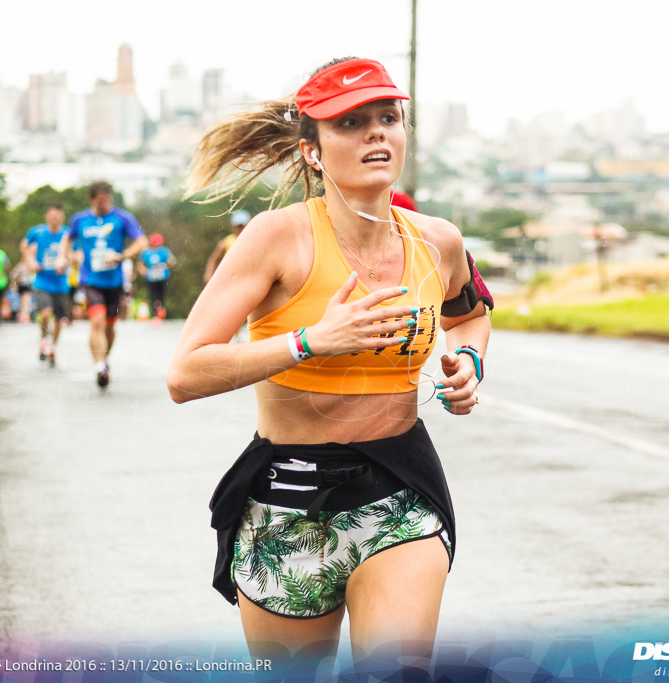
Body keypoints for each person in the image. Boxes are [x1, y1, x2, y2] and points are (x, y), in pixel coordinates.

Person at [167, 57, 493, 671]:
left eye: (388, 118)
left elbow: (470, 314)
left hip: (399, 494)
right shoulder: (275, 238)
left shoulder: (438, 242)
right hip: (286, 501)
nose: (377, 133)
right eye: (350, 122)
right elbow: (185, 374)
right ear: (312, 151)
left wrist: (468, 362)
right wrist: (310, 341)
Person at [56, 180, 148, 388]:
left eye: (107, 201)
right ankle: (99, 366)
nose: (104, 205)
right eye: (100, 202)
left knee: (110, 326)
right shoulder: (80, 219)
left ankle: (104, 358)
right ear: (92, 200)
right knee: (96, 321)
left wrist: (122, 255)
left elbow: (142, 242)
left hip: (114, 281)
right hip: (90, 280)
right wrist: (63, 257)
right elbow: (67, 239)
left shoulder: (122, 218)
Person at [22, 203, 71, 367]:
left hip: (61, 283)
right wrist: (31, 261)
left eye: (58, 216)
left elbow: (77, 253)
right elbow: (24, 246)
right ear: (47, 217)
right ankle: (44, 339)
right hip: (42, 280)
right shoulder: (37, 232)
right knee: (44, 314)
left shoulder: (68, 233)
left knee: (58, 319)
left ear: (62, 217)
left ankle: (53, 347)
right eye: (52, 216)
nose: (55, 219)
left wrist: (67, 260)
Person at [137, 233, 177, 325]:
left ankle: (161, 310)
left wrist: (164, 266)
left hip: (162, 276)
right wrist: (144, 272)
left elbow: (172, 262)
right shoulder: (146, 252)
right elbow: (140, 264)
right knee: (153, 295)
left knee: (161, 294)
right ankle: (155, 313)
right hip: (151, 277)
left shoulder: (164, 251)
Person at [203, 209, 250, 284]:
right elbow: (214, 258)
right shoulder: (226, 243)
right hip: (231, 280)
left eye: (242, 226)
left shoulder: (252, 241)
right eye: (238, 226)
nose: (240, 229)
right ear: (233, 227)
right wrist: (208, 275)